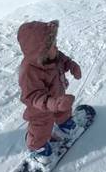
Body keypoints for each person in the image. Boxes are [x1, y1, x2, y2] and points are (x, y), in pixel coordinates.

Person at [17, 20, 82, 164]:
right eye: (52, 45)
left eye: (55, 42)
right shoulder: (29, 71)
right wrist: (52, 103)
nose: (56, 47)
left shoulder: (54, 55)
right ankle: (37, 147)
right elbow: (32, 96)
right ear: (41, 52)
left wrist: (72, 66)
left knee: (63, 111)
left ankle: (64, 123)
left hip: (57, 96)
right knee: (41, 127)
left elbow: (63, 60)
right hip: (40, 108)